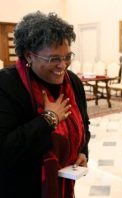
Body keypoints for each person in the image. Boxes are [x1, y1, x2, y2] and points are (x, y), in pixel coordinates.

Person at [0, 11, 90, 198]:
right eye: (53, 59)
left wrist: (82, 151)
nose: (63, 65)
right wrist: (49, 119)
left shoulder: (72, 82)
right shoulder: (6, 84)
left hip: (63, 186)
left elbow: (84, 124)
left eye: (67, 57)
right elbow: (5, 149)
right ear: (29, 56)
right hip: (20, 187)